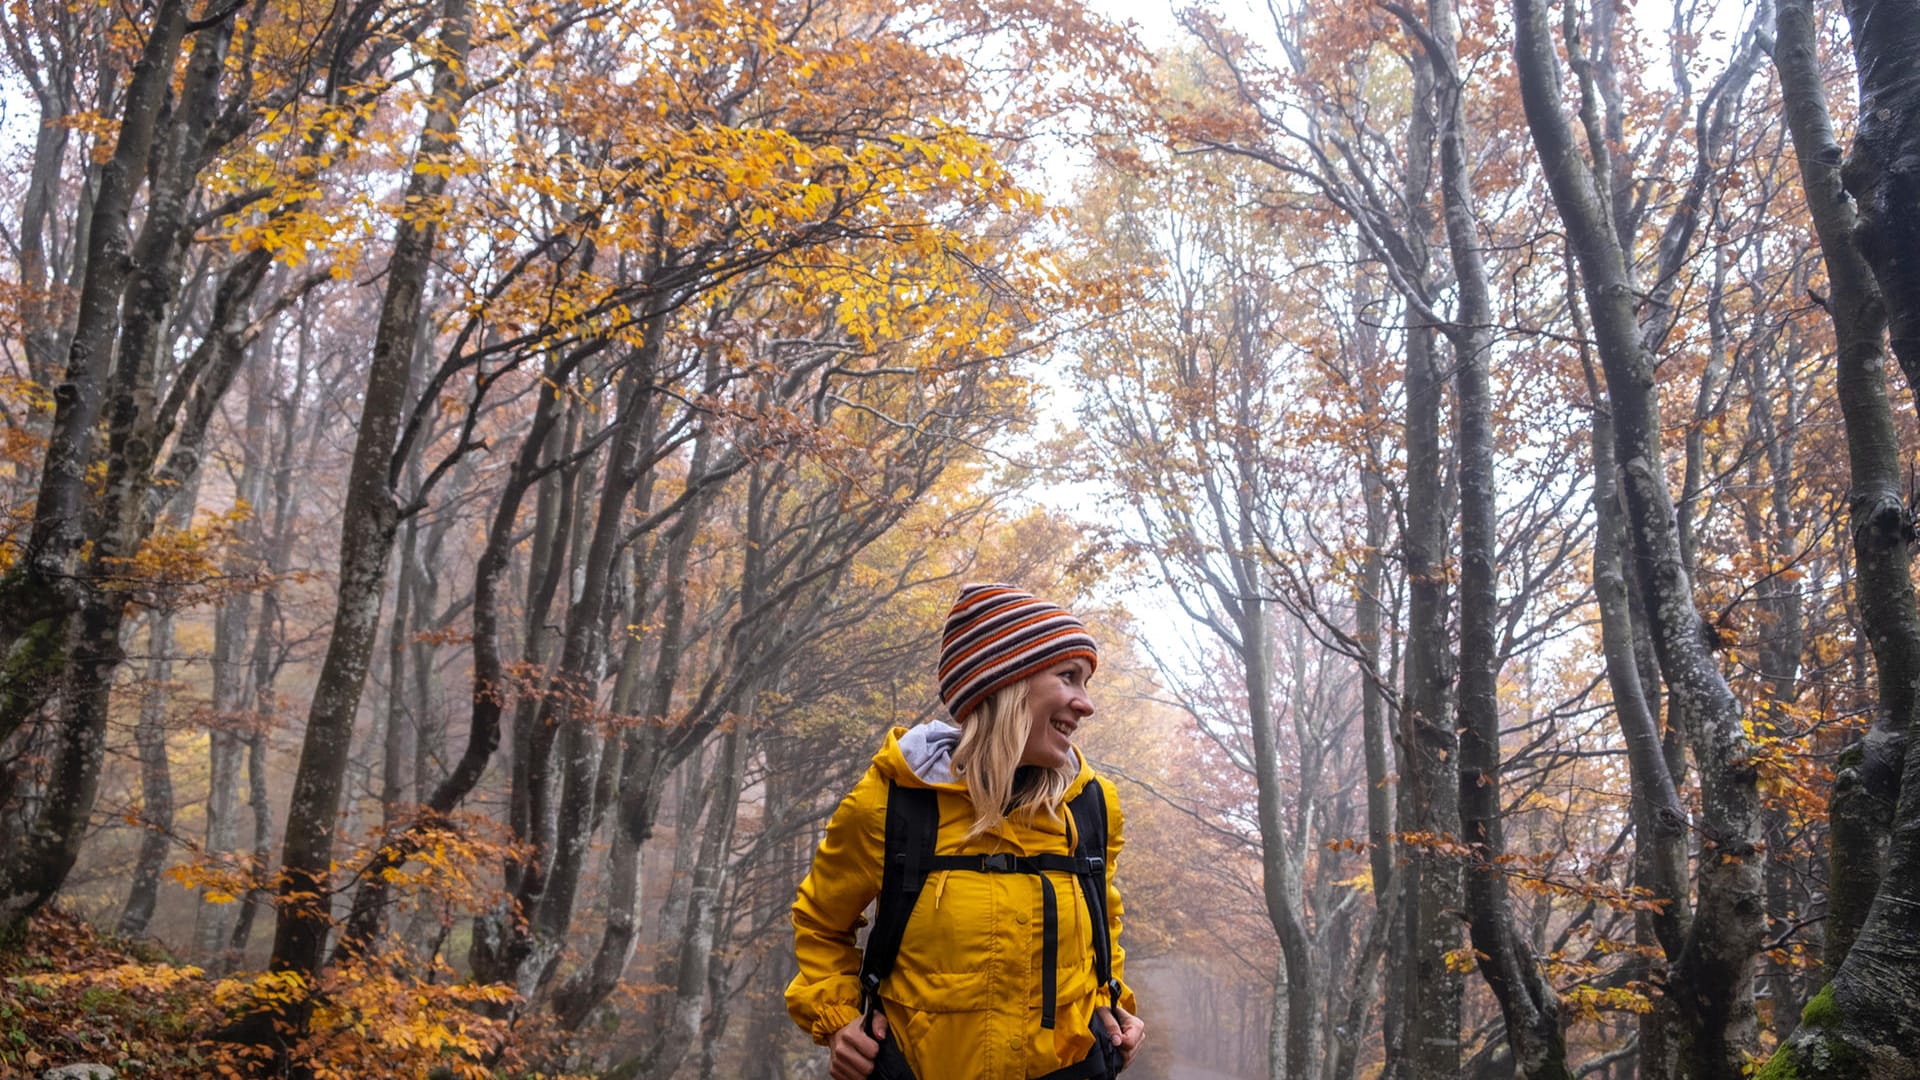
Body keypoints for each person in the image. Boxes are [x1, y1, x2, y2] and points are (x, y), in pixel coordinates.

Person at [787, 583, 1147, 1080]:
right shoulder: (895, 801)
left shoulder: (1089, 809)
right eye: (1068, 677)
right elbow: (820, 924)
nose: (1085, 704)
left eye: (1085, 684)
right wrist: (839, 1020)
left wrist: (1111, 1000)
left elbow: (1101, 925)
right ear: (1005, 684)